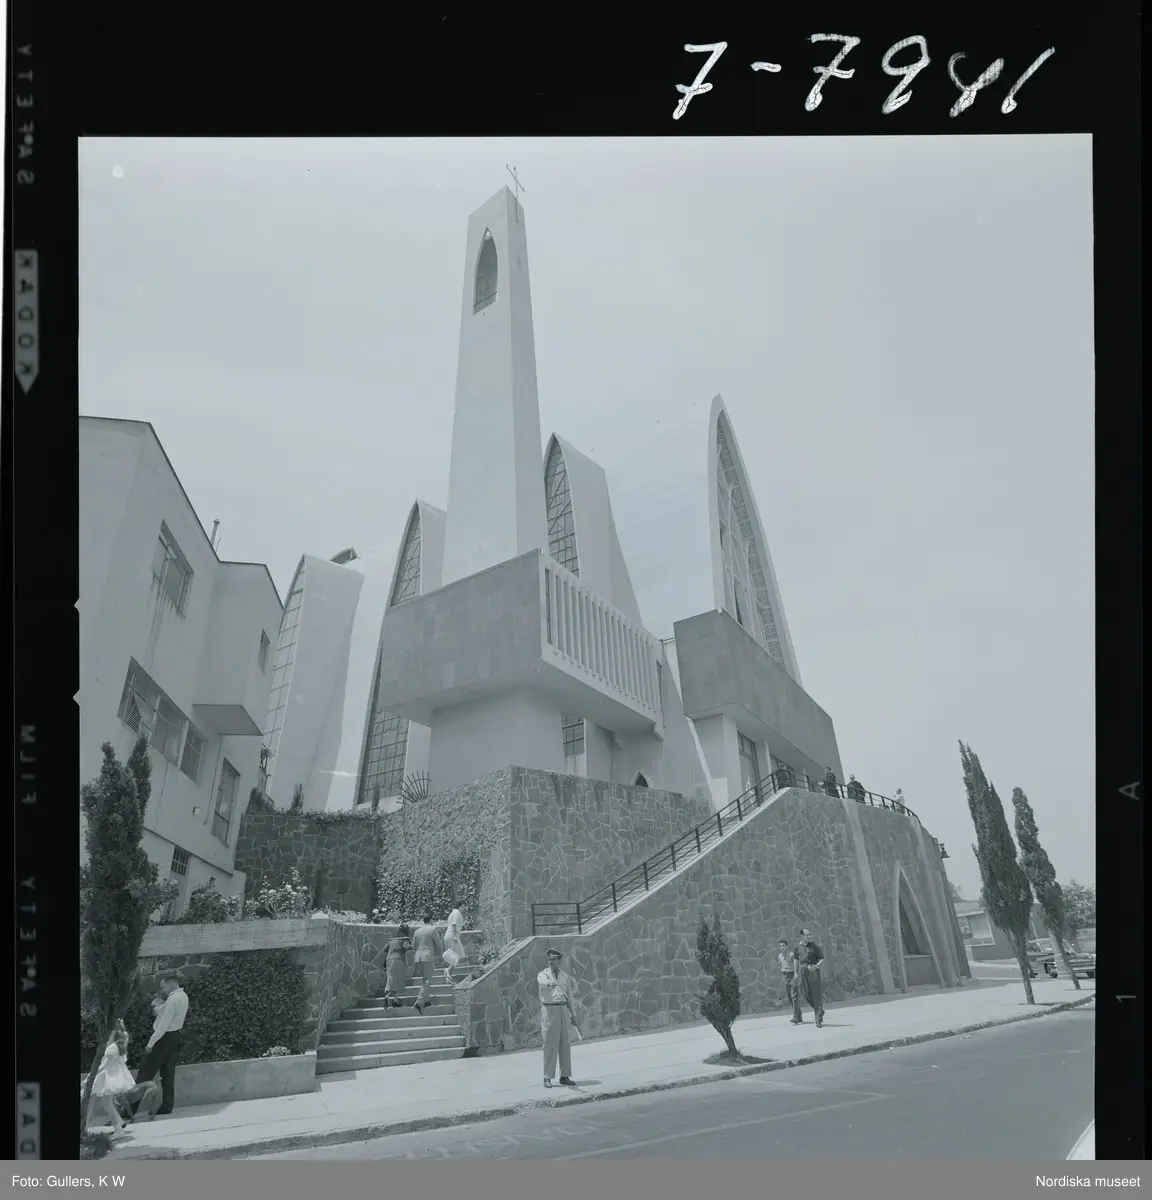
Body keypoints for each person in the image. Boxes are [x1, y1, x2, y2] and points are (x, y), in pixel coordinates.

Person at [130, 972, 188, 1116]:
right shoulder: (183, 996)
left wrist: (151, 1043)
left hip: (163, 1038)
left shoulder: (173, 999)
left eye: (164, 987)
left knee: (145, 1072)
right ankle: (167, 1105)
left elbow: (163, 1025)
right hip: (175, 1036)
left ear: (171, 982)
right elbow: (170, 1016)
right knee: (167, 1072)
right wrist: (159, 1008)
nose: (163, 990)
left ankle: (129, 1110)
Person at [537, 948, 577, 1088]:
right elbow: (543, 982)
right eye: (549, 959)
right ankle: (547, 1076)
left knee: (565, 1044)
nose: (551, 962)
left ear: (559, 960)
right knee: (550, 1044)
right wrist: (552, 983)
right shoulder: (543, 974)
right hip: (549, 1010)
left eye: (554, 959)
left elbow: (570, 997)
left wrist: (573, 1014)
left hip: (562, 1009)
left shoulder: (564, 976)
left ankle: (564, 1075)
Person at [88, 1020, 136, 1136]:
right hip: (112, 1076)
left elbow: (104, 1065)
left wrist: (90, 1076)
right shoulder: (118, 1044)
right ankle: (119, 1123)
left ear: (113, 1032)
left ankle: (118, 1129)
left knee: (104, 1103)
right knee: (106, 1103)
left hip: (108, 1077)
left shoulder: (112, 1048)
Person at [411, 910, 442, 1015]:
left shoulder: (417, 931)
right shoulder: (432, 929)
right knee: (427, 980)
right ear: (431, 919)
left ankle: (426, 1000)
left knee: (425, 979)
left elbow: (413, 946)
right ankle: (419, 1002)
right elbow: (438, 944)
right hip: (427, 957)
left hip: (418, 958)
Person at [796, 927, 826, 1028]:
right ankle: (819, 1010)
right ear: (802, 936)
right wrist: (796, 973)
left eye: (809, 934)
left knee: (816, 995)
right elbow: (796, 959)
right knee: (805, 994)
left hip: (813, 972)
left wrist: (817, 966)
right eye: (807, 935)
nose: (809, 936)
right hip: (803, 972)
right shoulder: (798, 947)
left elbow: (821, 958)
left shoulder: (814, 946)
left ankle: (818, 1019)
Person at [384, 924, 413, 1008]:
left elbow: (385, 949)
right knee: (399, 980)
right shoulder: (405, 938)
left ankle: (388, 998)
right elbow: (406, 947)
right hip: (399, 960)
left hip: (389, 960)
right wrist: (413, 945)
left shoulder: (392, 939)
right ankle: (394, 999)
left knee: (390, 978)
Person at [775, 939, 802, 1024]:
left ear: (786, 946)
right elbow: (780, 964)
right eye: (780, 946)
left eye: (783, 946)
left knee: (794, 997)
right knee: (790, 997)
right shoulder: (779, 956)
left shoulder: (791, 955)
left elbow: (797, 964)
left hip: (792, 975)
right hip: (785, 977)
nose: (782, 947)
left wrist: (796, 974)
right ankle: (799, 1015)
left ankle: (795, 1017)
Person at [443, 903, 466, 986]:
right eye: (463, 906)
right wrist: (455, 936)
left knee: (457, 955)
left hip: (450, 935)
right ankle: (448, 970)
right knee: (457, 955)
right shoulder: (456, 912)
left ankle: (449, 975)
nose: (464, 908)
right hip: (452, 935)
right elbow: (453, 924)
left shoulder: (453, 912)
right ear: (459, 906)